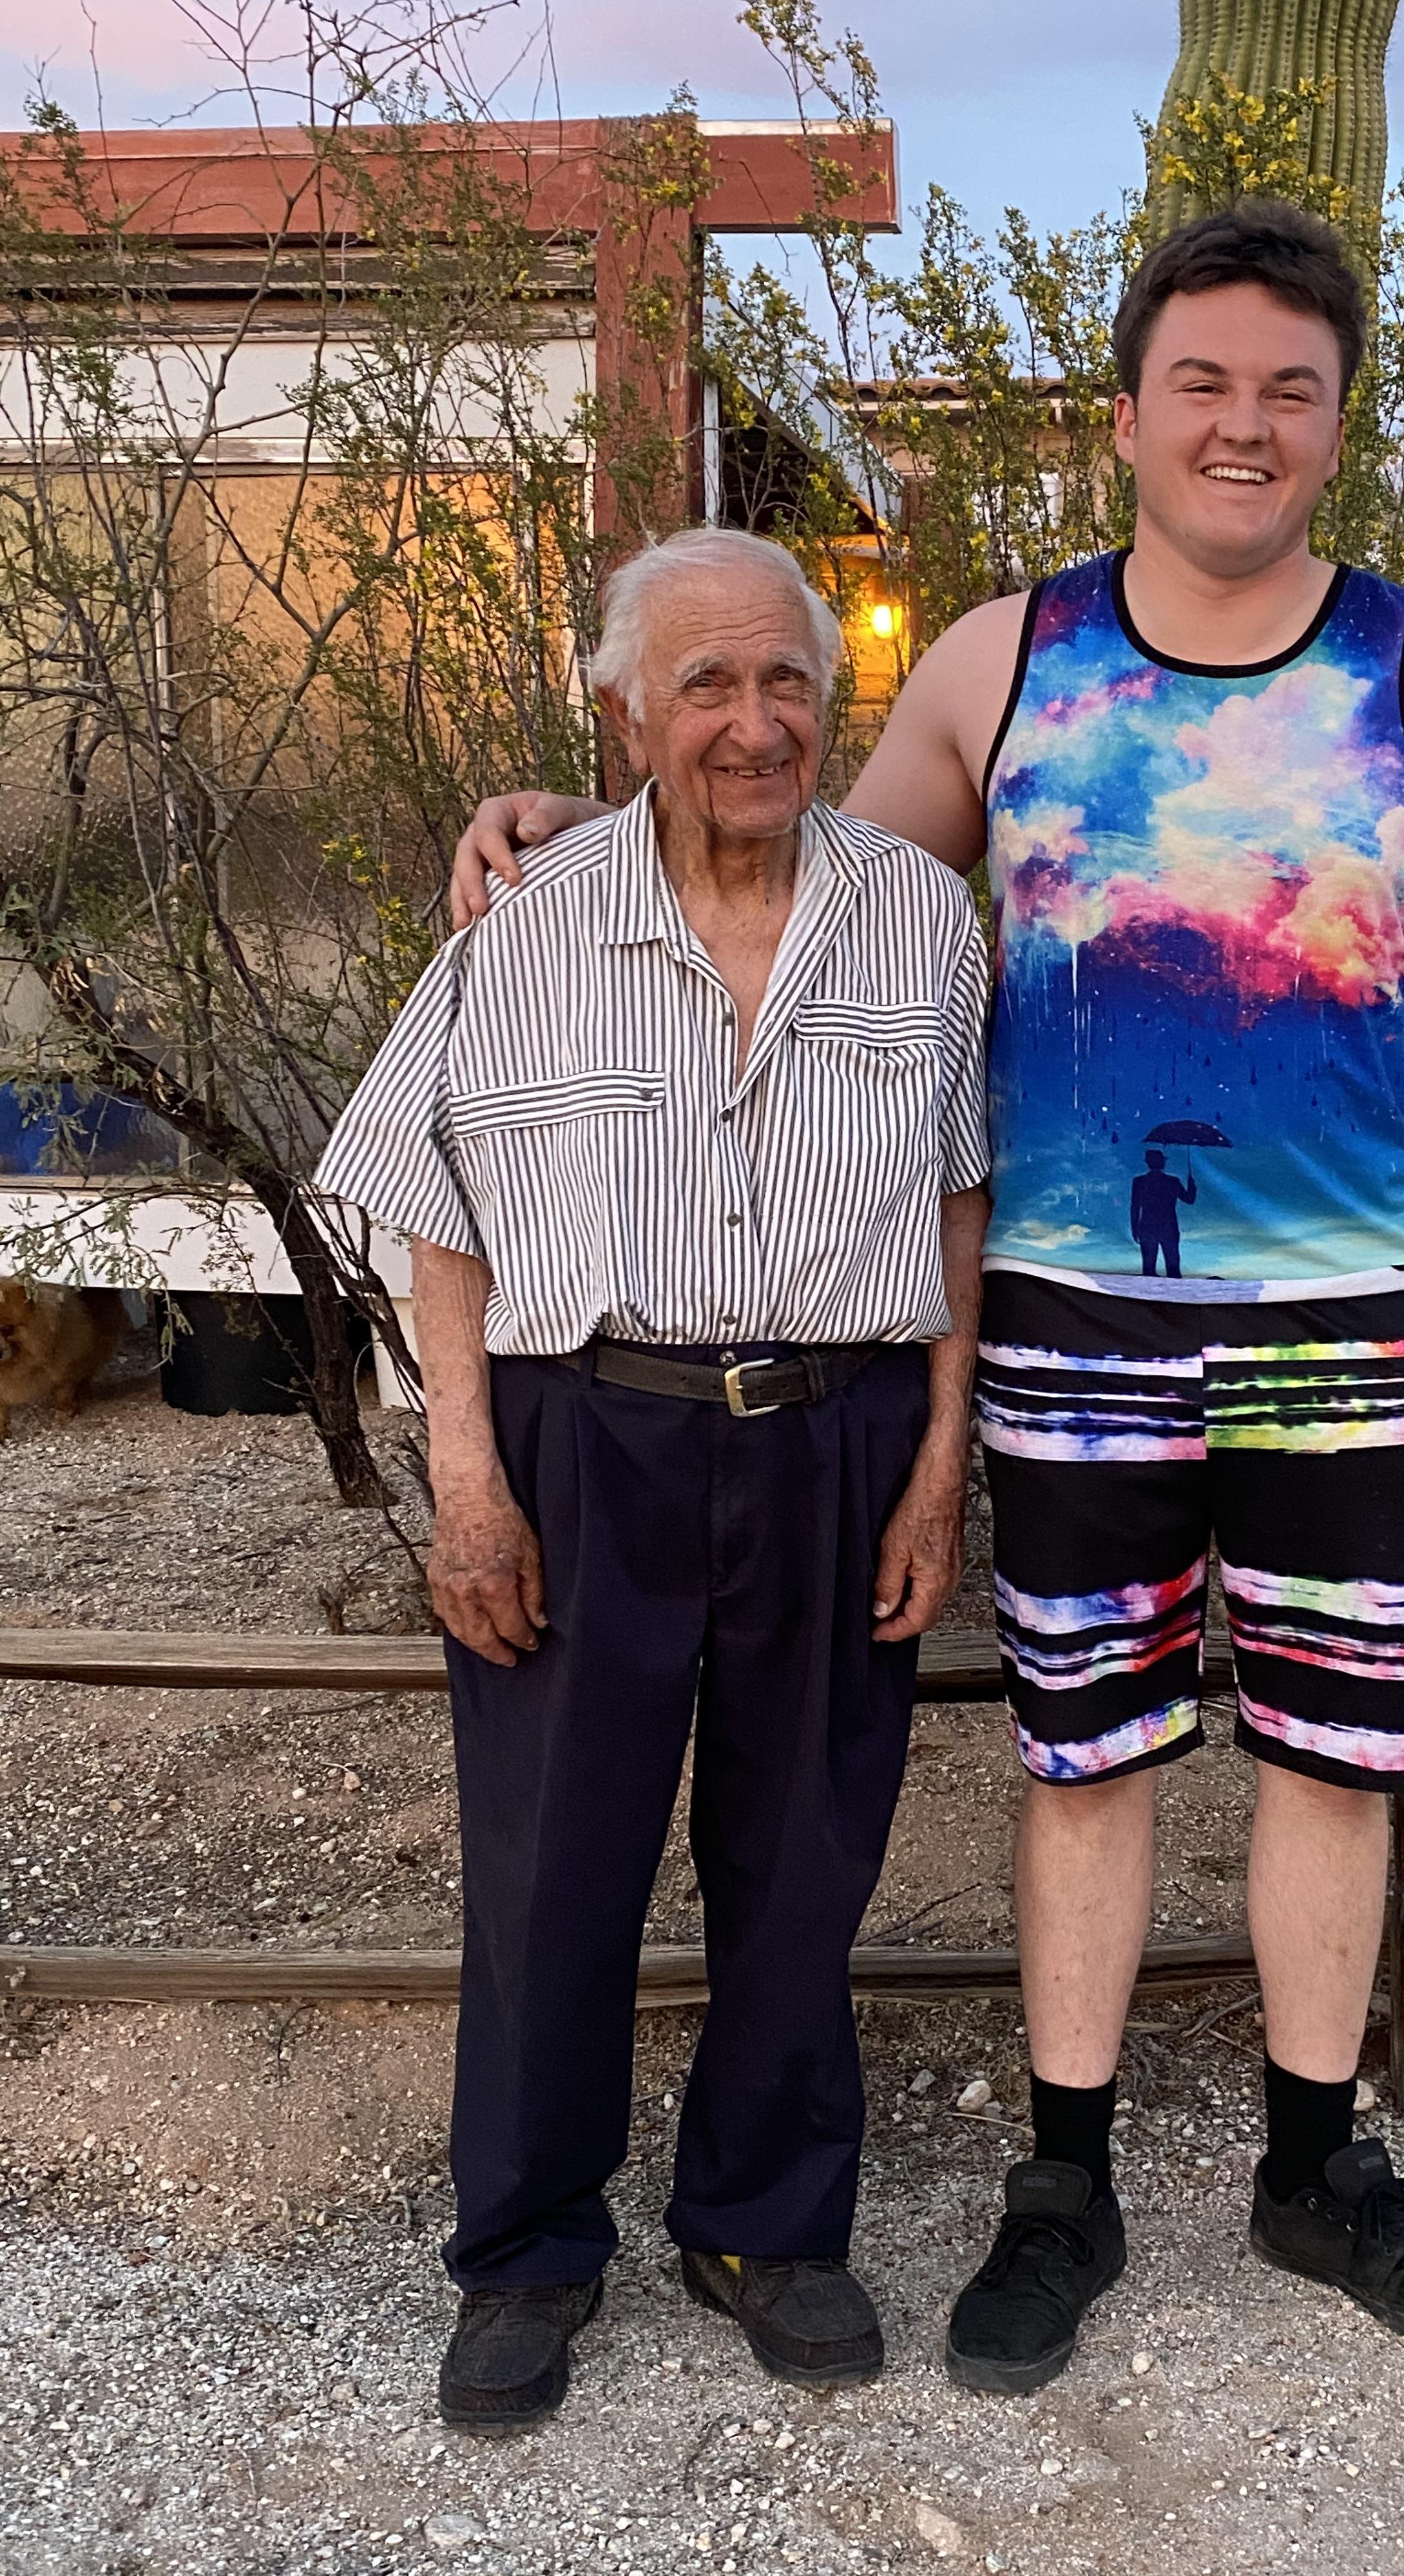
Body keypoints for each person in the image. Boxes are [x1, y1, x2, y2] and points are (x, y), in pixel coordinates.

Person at [448, 197, 1404, 2388]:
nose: (1243, 425)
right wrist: (568, 818)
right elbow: (799, 874)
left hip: (1365, 1327)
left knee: (1340, 1762)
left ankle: (1315, 2167)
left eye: (1291, 391)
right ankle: (1064, 2187)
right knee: (1089, 1753)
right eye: (1201, 383)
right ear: (1126, 415)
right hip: (1073, 1323)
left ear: (1337, 425)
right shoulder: (1001, 662)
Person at [315, 529, 990, 2427]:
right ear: (622, 715)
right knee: (552, 1867)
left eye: (789, 680)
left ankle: (766, 2225)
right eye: (706, 684)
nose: (756, 722)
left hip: (838, 1433)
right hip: (580, 1438)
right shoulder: (522, 917)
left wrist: (938, 1466)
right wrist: (465, 1476)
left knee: (807, 1853)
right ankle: (529, 2251)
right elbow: (436, 1202)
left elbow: (961, 1202)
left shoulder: (923, 922)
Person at [1129, 1148, 1197, 1278]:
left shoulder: (1139, 1182)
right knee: (1173, 1269)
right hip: (1169, 1228)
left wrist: (1135, 1229)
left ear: (1147, 1163)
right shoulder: (1173, 1181)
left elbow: (1135, 1208)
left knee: (1149, 1269)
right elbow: (1189, 1199)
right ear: (1162, 1163)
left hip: (1147, 1228)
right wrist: (1192, 1186)